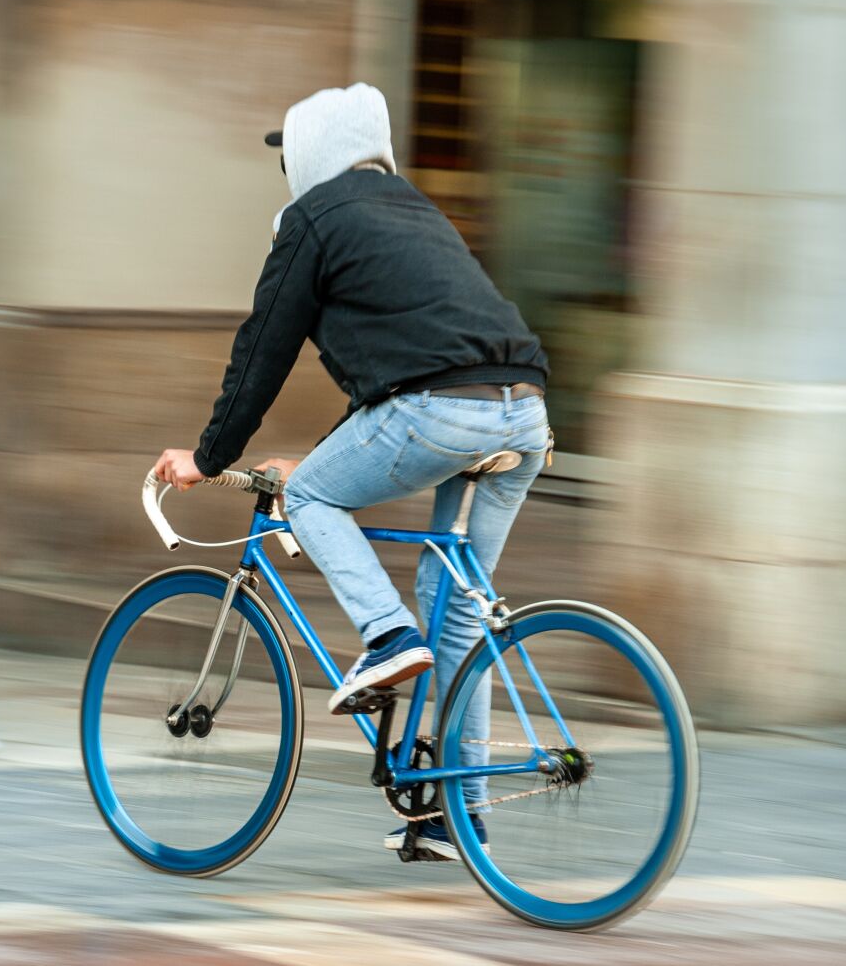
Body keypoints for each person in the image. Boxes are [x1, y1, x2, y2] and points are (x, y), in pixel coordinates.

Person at [151, 83, 550, 859]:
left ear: (313, 153)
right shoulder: (415, 211)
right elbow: (401, 366)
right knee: (459, 611)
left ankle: (385, 634)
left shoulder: (312, 220)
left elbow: (262, 350)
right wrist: (331, 450)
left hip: (440, 410)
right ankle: (453, 818)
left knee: (306, 496)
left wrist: (208, 457)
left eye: (287, 155)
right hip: (523, 410)